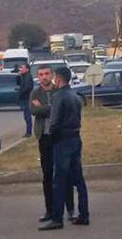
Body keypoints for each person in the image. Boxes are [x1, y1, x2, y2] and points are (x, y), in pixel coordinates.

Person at [39, 67, 89, 231]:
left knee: (59, 180)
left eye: (54, 77)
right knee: (78, 179)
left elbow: (54, 122)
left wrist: (52, 137)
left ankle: (57, 217)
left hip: (62, 141)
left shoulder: (58, 96)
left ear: (58, 79)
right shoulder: (75, 96)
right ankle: (84, 214)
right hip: (75, 137)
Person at [30, 65, 76, 224]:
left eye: (47, 74)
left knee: (65, 173)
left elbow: (61, 111)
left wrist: (44, 108)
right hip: (45, 137)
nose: (44, 77)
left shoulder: (60, 91)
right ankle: (50, 210)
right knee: (47, 175)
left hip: (60, 137)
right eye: (41, 74)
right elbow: (34, 111)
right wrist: (50, 109)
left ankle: (70, 210)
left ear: (52, 75)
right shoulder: (35, 93)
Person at [18, 64, 34, 138]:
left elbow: (27, 88)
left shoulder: (28, 77)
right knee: (26, 116)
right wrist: (18, 76)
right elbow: (18, 83)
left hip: (26, 98)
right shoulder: (23, 76)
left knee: (27, 116)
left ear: (27, 69)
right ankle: (28, 131)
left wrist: (21, 93)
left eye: (23, 68)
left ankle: (29, 132)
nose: (21, 69)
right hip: (24, 98)